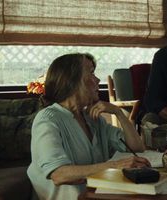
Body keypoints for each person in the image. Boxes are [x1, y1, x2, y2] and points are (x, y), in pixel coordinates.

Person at [27, 53, 150, 200]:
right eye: (91, 73)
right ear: (72, 81)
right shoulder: (48, 119)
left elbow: (137, 147)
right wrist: (115, 165)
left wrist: (119, 113)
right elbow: (59, 175)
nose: (98, 79)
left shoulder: (93, 119)